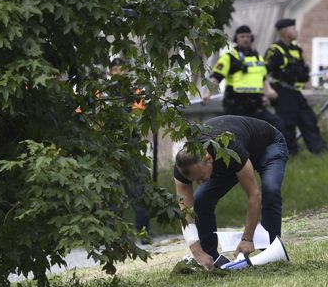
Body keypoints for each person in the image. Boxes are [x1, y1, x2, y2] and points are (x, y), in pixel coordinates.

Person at [174, 115, 288, 270]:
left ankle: (272, 251)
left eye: (201, 177)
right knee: (200, 200)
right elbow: (185, 211)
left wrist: (247, 239)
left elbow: (254, 194)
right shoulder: (184, 164)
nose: (200, 182)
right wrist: (197, 251)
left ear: (208, 158)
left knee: (270, 189)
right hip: (233, 159)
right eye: (195, 180)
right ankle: (211, 259)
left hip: (268, 145)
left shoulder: (228, 148)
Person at [265, 18, 328, 156]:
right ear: (284, 32)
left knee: (309, 119)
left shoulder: (296, 49)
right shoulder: (274, 50)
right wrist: (268, 90)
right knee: (287, 124)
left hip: (295, 92)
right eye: (293, 28)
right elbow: (263, 72)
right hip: (282, 92)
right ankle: (290, 154)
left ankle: (319, 150)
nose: (296, 31)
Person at [206, 25, 285, 134]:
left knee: (277, 124)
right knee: (240, 134)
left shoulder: (257, 57)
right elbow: (216, 77)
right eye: (242, 36)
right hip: (237, 104)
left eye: (248, 36)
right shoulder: (229, 57)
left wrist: (269, 91)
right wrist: (208, 94)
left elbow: (263, 78)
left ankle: (275, 151)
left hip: (256, 104)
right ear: (236, 39)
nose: (246, 39)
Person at [108, 58, 151, 242]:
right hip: (110, 147)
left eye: (122, 69)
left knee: (139, 193)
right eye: (115, 69)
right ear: (110, 72)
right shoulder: (103, 91)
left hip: (132, 148)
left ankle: (143, 234)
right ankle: (110, 237)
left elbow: (138, 117)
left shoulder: (135, 92)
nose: (119, 72)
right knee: (110, 193)